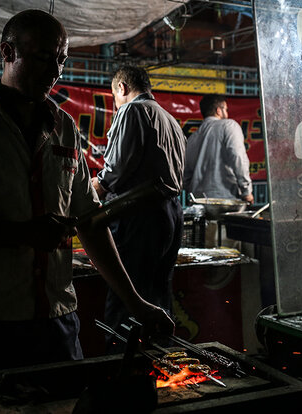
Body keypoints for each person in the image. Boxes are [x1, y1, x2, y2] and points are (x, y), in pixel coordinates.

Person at [0, 9, 175, 377]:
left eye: (61, 60)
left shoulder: (64, 127)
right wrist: (24, 234)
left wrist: (137, 303)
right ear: (8, 53)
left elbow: (92, 222)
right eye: (43, 58)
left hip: (56, 317)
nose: (55, 71)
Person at [91, 66, 186, 353]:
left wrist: (88, 189)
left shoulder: (132, 112)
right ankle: (160, 361)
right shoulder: (170, 119)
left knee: (127, 294)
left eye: (113, 96)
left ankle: (124, 369)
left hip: (140, 216)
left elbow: (115, 170)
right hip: (171, 214)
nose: (115, 103)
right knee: (158, 294)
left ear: (121, 87)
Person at [183, 94, 254, 203]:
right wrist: (247, 191)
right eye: (226, 109)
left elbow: (185, 175)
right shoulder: (229, 126)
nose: (227, 113)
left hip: (198, 202)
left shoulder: (192, 138)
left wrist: (194, 192)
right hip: (225, 199)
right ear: (218, 111)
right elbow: (238, 157)